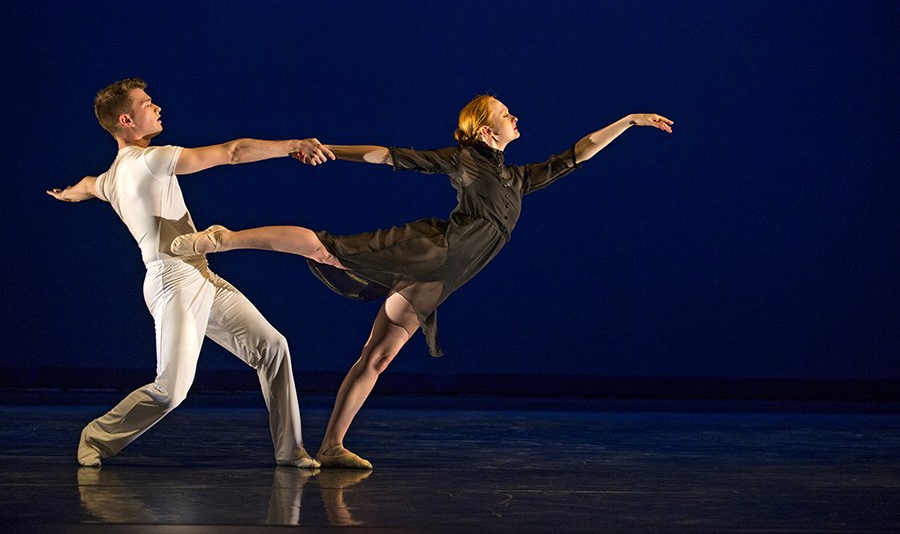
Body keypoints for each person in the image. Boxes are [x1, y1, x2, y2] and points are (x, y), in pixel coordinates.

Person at [171, 95, 674, 469]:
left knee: (379, 356)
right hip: (431, 250)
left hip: (441, 281)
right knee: (328, 247)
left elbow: (576, 155)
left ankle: (331, 445)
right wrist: (330, 150)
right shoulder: (466, 159)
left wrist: (628, 121)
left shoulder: (515, 178)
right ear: (481, 129)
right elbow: (389, 156)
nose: (514, 116)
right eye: (504, 112)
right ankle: (224, 238)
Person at [47, 78, 334, 468]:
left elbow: (88, 185)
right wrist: (292, 146)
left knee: (273, 347)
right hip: (172, 281)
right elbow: (232, 153)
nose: (157, 107)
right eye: (148, 104)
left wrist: (70, 192)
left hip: (199, 275)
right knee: (171, 390)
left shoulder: (111, 178)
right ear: (127, 119)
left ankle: (290, 450)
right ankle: (96, 436)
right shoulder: (150, 160)